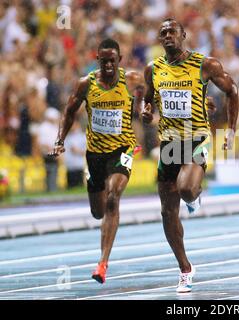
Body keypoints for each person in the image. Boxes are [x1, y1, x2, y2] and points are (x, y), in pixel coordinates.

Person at [141, 18, 239, 293]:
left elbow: (232, 91)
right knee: (167, 211)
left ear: (184, 35)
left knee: (185, 189)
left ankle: (194, 193)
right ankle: (185, 268)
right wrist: (146, 111)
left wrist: (230, 130)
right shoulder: (153, 68)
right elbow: (148, 98)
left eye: (172, 31)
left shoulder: (205, 64)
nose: (168, 35)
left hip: (196, 137)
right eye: (163, 33)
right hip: (169, 142)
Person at [49, 38, 145, 284]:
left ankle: (102, 263)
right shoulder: (86, 84)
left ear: (119, 60)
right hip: (95, 154)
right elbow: (70, 111)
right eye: (104, 62)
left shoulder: (131, 79)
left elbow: (150, 89)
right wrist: (60, 139)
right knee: (97, 211)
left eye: (113, 61)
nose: (109, 66)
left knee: (113, 197)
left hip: (122, 149)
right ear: (98, 61)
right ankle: (102, 251)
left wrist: (145, 107)